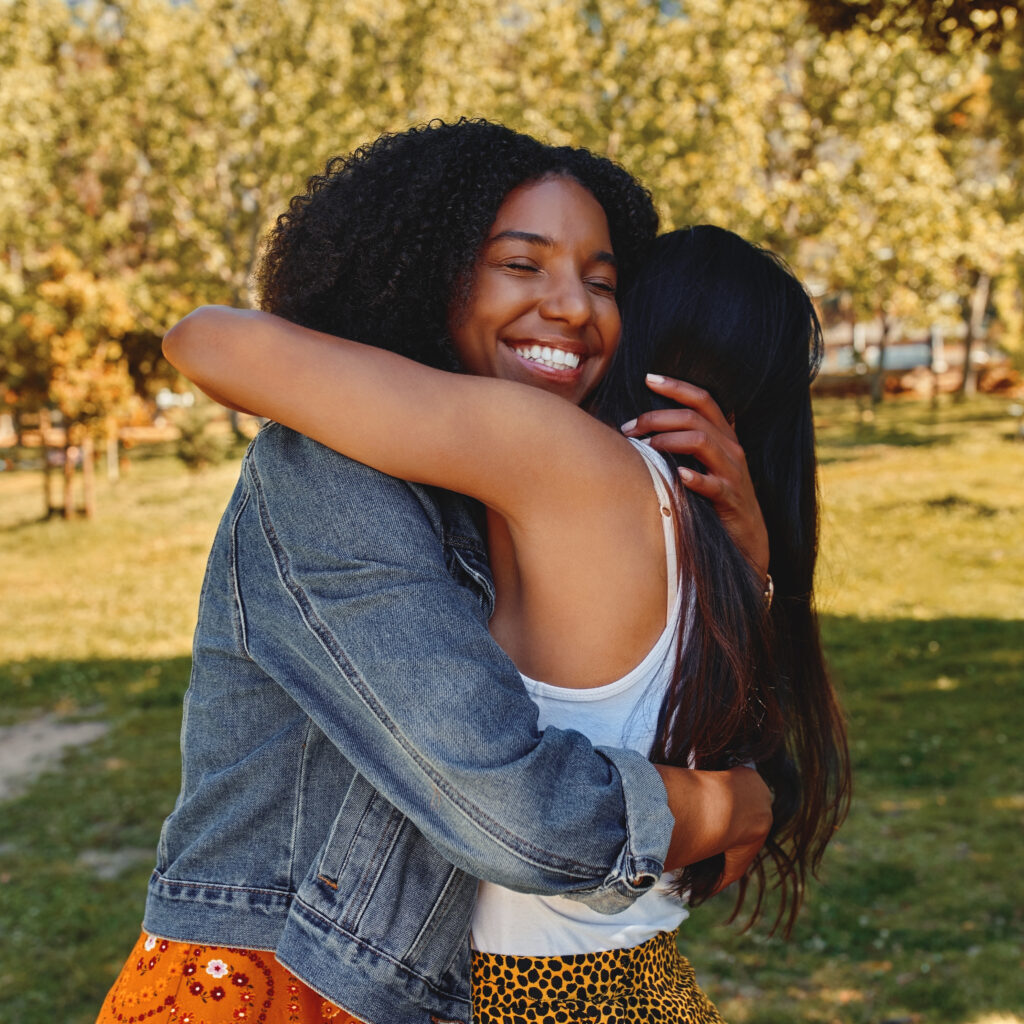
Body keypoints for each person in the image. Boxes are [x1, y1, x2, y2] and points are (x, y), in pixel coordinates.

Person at [95, 120, 776, 1024]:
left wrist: (745, 563)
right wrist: (724, 807)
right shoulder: (330, 471)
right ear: (421, 272)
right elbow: (521, 819)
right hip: (278, 988)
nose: (574, 308)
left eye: (602, 281)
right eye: (522, 264)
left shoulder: (531, 487)